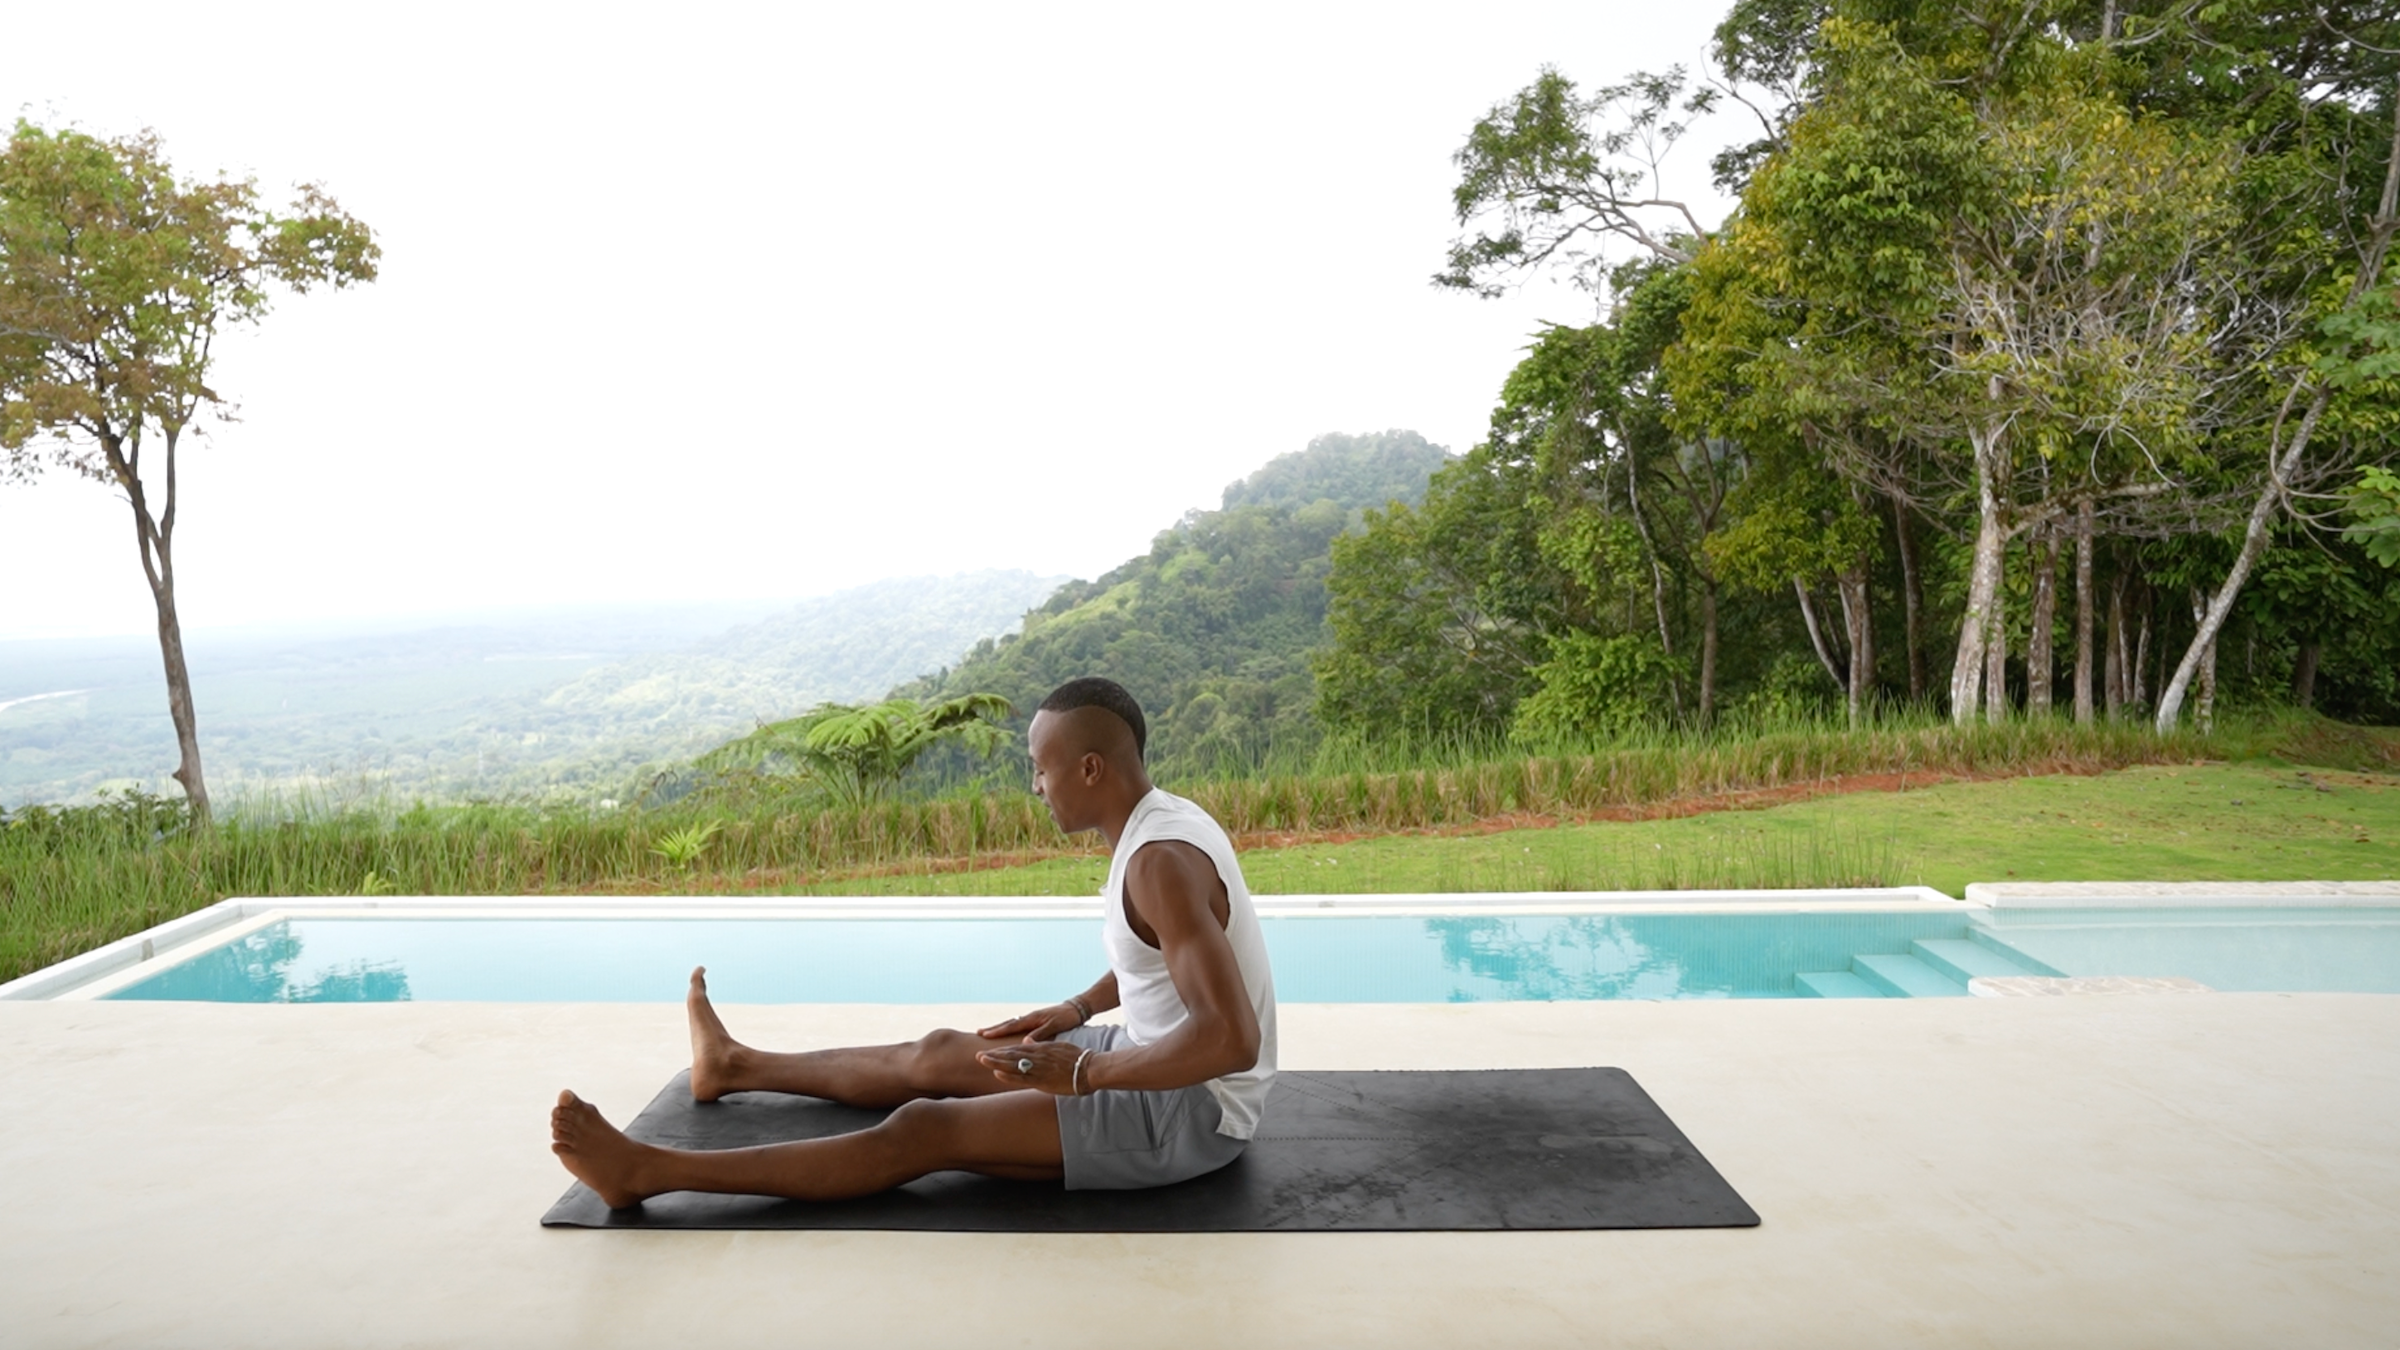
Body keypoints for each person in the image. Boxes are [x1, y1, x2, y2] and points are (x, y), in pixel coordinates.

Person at [549, 676, 1278, 1207]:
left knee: (923, 1130)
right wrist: (1077, 1009)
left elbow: (1229, 1040)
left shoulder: (1159, 863)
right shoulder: (1156, 825)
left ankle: (648, 1171)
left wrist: (1083, 1074)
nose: (1037, 786)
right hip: (1152, 1062)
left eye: (1042, 768)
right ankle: (733, 1066)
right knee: (935, 1050)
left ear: (1090, 768)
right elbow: (1158, 957)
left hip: (1189, 1113)